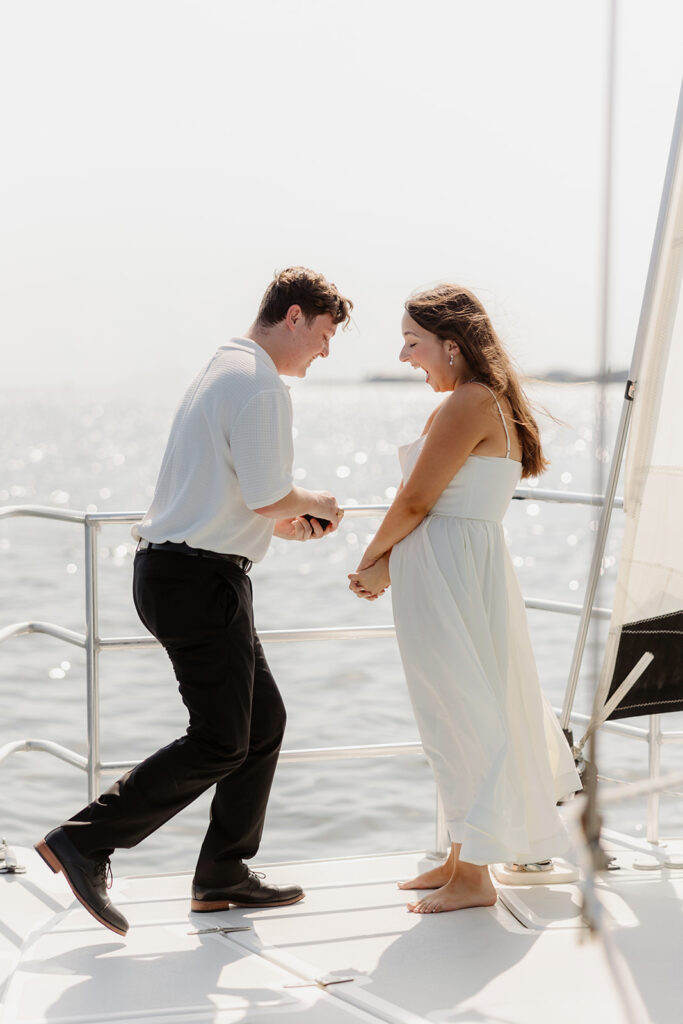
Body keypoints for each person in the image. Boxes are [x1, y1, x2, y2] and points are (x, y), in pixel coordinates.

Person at [36, 266, 352, 935]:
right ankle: (86, 839)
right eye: (324, 335)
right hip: (199, 580)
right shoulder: (261, 385)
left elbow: (234, 491)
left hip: (179, 571)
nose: (325, 352)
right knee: (220, 738)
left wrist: (280, 524)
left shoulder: (223, 366)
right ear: (293, 317)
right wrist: (317, 504)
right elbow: (269, 492)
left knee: (260, 724)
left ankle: (221, 875)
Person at [349, 284, 580, 914]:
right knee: (460, 709)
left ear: (451, 346)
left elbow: (418, 501)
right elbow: (436, 503)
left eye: (412, 342)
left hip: (448, 571)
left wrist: (373, 560)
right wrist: (395, 562)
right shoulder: (486, 400)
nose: (403, 355)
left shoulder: (468, 404)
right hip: (464, 567)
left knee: (462, 712)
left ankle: (475, 876)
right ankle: (461, 856)